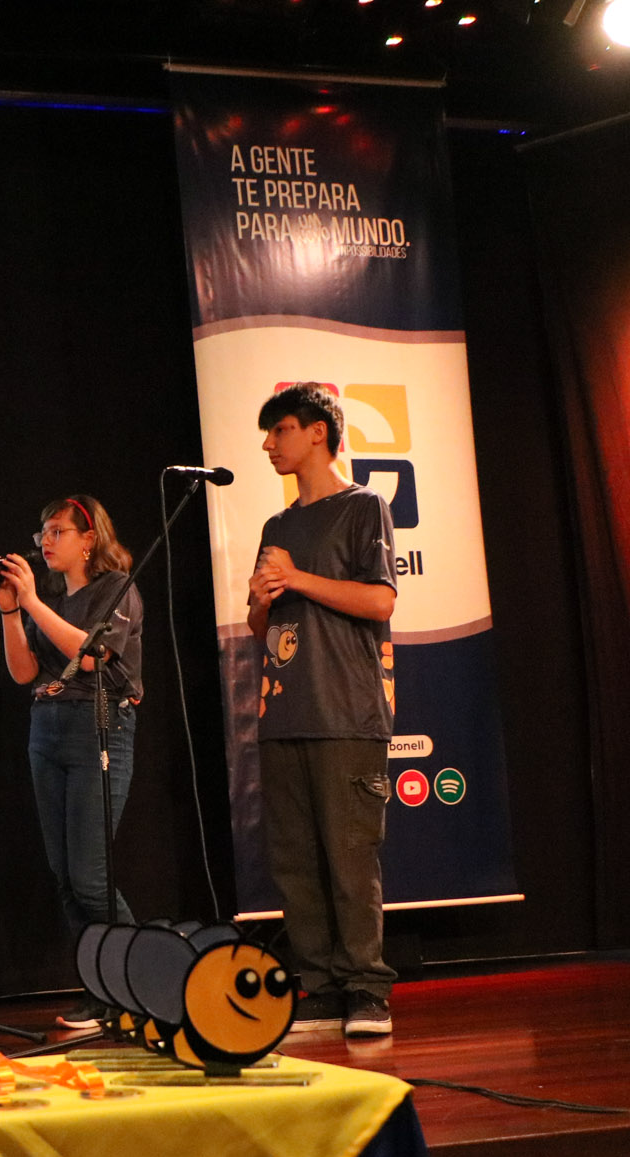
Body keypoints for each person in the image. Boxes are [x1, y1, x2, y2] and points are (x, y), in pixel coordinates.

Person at [246, 382, 399, 1037]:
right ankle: (321, 986)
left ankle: (366, 988)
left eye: (279, 430)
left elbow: (381, 601)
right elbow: (260, 626)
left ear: (317, 432)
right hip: (285, 714)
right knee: (296, 862)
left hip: (345, 713)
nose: (268, 445)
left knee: (349, 857)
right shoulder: (276, 527)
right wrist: (261, 599)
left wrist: (298, 578)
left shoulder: (364, 507)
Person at [0, 496, 143, 1029]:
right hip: (47, 729)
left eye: (57, 531)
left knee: (92, 877)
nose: (46, 542)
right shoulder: (51, 600)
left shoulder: (115, 588)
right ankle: (102, 991)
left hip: (98, 727)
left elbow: (94, 655)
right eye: (43, 533)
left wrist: (30, 602)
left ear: (89, 539)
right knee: (65, 878)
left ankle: (141, 983)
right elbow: (23, 672)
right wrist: (11, 610)